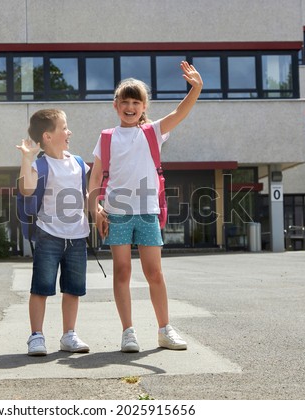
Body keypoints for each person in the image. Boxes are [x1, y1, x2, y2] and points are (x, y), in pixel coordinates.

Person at [88, 61, 203, 352]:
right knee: (122, 272)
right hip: (116, 213)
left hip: (147, 212)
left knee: (155, 273)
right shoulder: (106, 137)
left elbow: (180, 113)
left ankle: (165, 329)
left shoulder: (153, 132)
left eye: (135, 102)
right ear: (116, 105)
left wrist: (196, 88)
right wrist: (96, 210)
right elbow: (95, 180)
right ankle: (128, 332)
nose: (130, 107)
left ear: (143, 106)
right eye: (124, 102)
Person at [16, 109, 91, 356]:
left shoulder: (78, 163)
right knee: (41, 287)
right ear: (48, 136)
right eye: (64, 128)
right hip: (49, 235)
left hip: (77, 236)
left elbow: (84, 195)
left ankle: (69, 335)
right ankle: (36, 336)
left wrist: (98, 210)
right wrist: (27, 159)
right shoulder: (40, 165)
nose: (69, 132)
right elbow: (27, 190)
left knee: (73, 289)